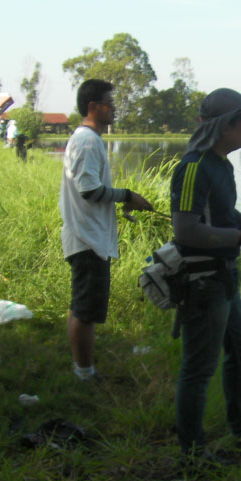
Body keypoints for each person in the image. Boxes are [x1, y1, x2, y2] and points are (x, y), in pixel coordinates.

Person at [169, 87, 241, 461]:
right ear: (224, 126)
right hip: (202, 284)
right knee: (198, 370)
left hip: (225, 278)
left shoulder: (221, 166)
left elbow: (223, 216)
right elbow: (185, 230)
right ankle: (193, 455)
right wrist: (239, 236)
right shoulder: (193, 168)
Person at [60, 78, 153, 382]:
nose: (114, 109)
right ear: (92, 107)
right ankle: (84, 372)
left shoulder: (87, 139)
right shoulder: (87, 141)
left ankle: (82, 367)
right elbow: (88, 189)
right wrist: (127, 195)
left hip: (87, 236)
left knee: (82, 307)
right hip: (88, 238)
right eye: (110, 103)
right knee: (85, 310)